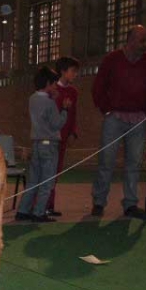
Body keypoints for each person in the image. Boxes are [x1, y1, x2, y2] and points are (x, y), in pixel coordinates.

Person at [91, 25, 146, 219]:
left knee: (134, 163)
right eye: (142, 40)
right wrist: (106, 109)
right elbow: (98, 87)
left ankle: (130, 204)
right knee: (106, 161)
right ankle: (98, 202)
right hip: (114, 117)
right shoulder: (112, 59)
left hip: (138, 119)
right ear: (130, 40)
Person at [15, 66, 71, 223]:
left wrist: (53, 98)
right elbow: (56, 124)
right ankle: (39, 212)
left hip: (37, 143)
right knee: (47, 181)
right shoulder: (50, 103)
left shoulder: (32, 99)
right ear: (48, 83)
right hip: (50, 144)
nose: (55, 87)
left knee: (33, 181)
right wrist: (65, 110)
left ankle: (23, 210)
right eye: (54, 84)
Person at [46, 56, 80, 217]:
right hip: (52, 136)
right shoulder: (52, 90)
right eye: (73, 71)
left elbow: (73, 114)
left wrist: (73, 131)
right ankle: (41, 204)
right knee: (48, 170)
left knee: (57, 170)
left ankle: (49, 205)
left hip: (64, 137)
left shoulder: (73, 92)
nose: (75, 74)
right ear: (63, 71)